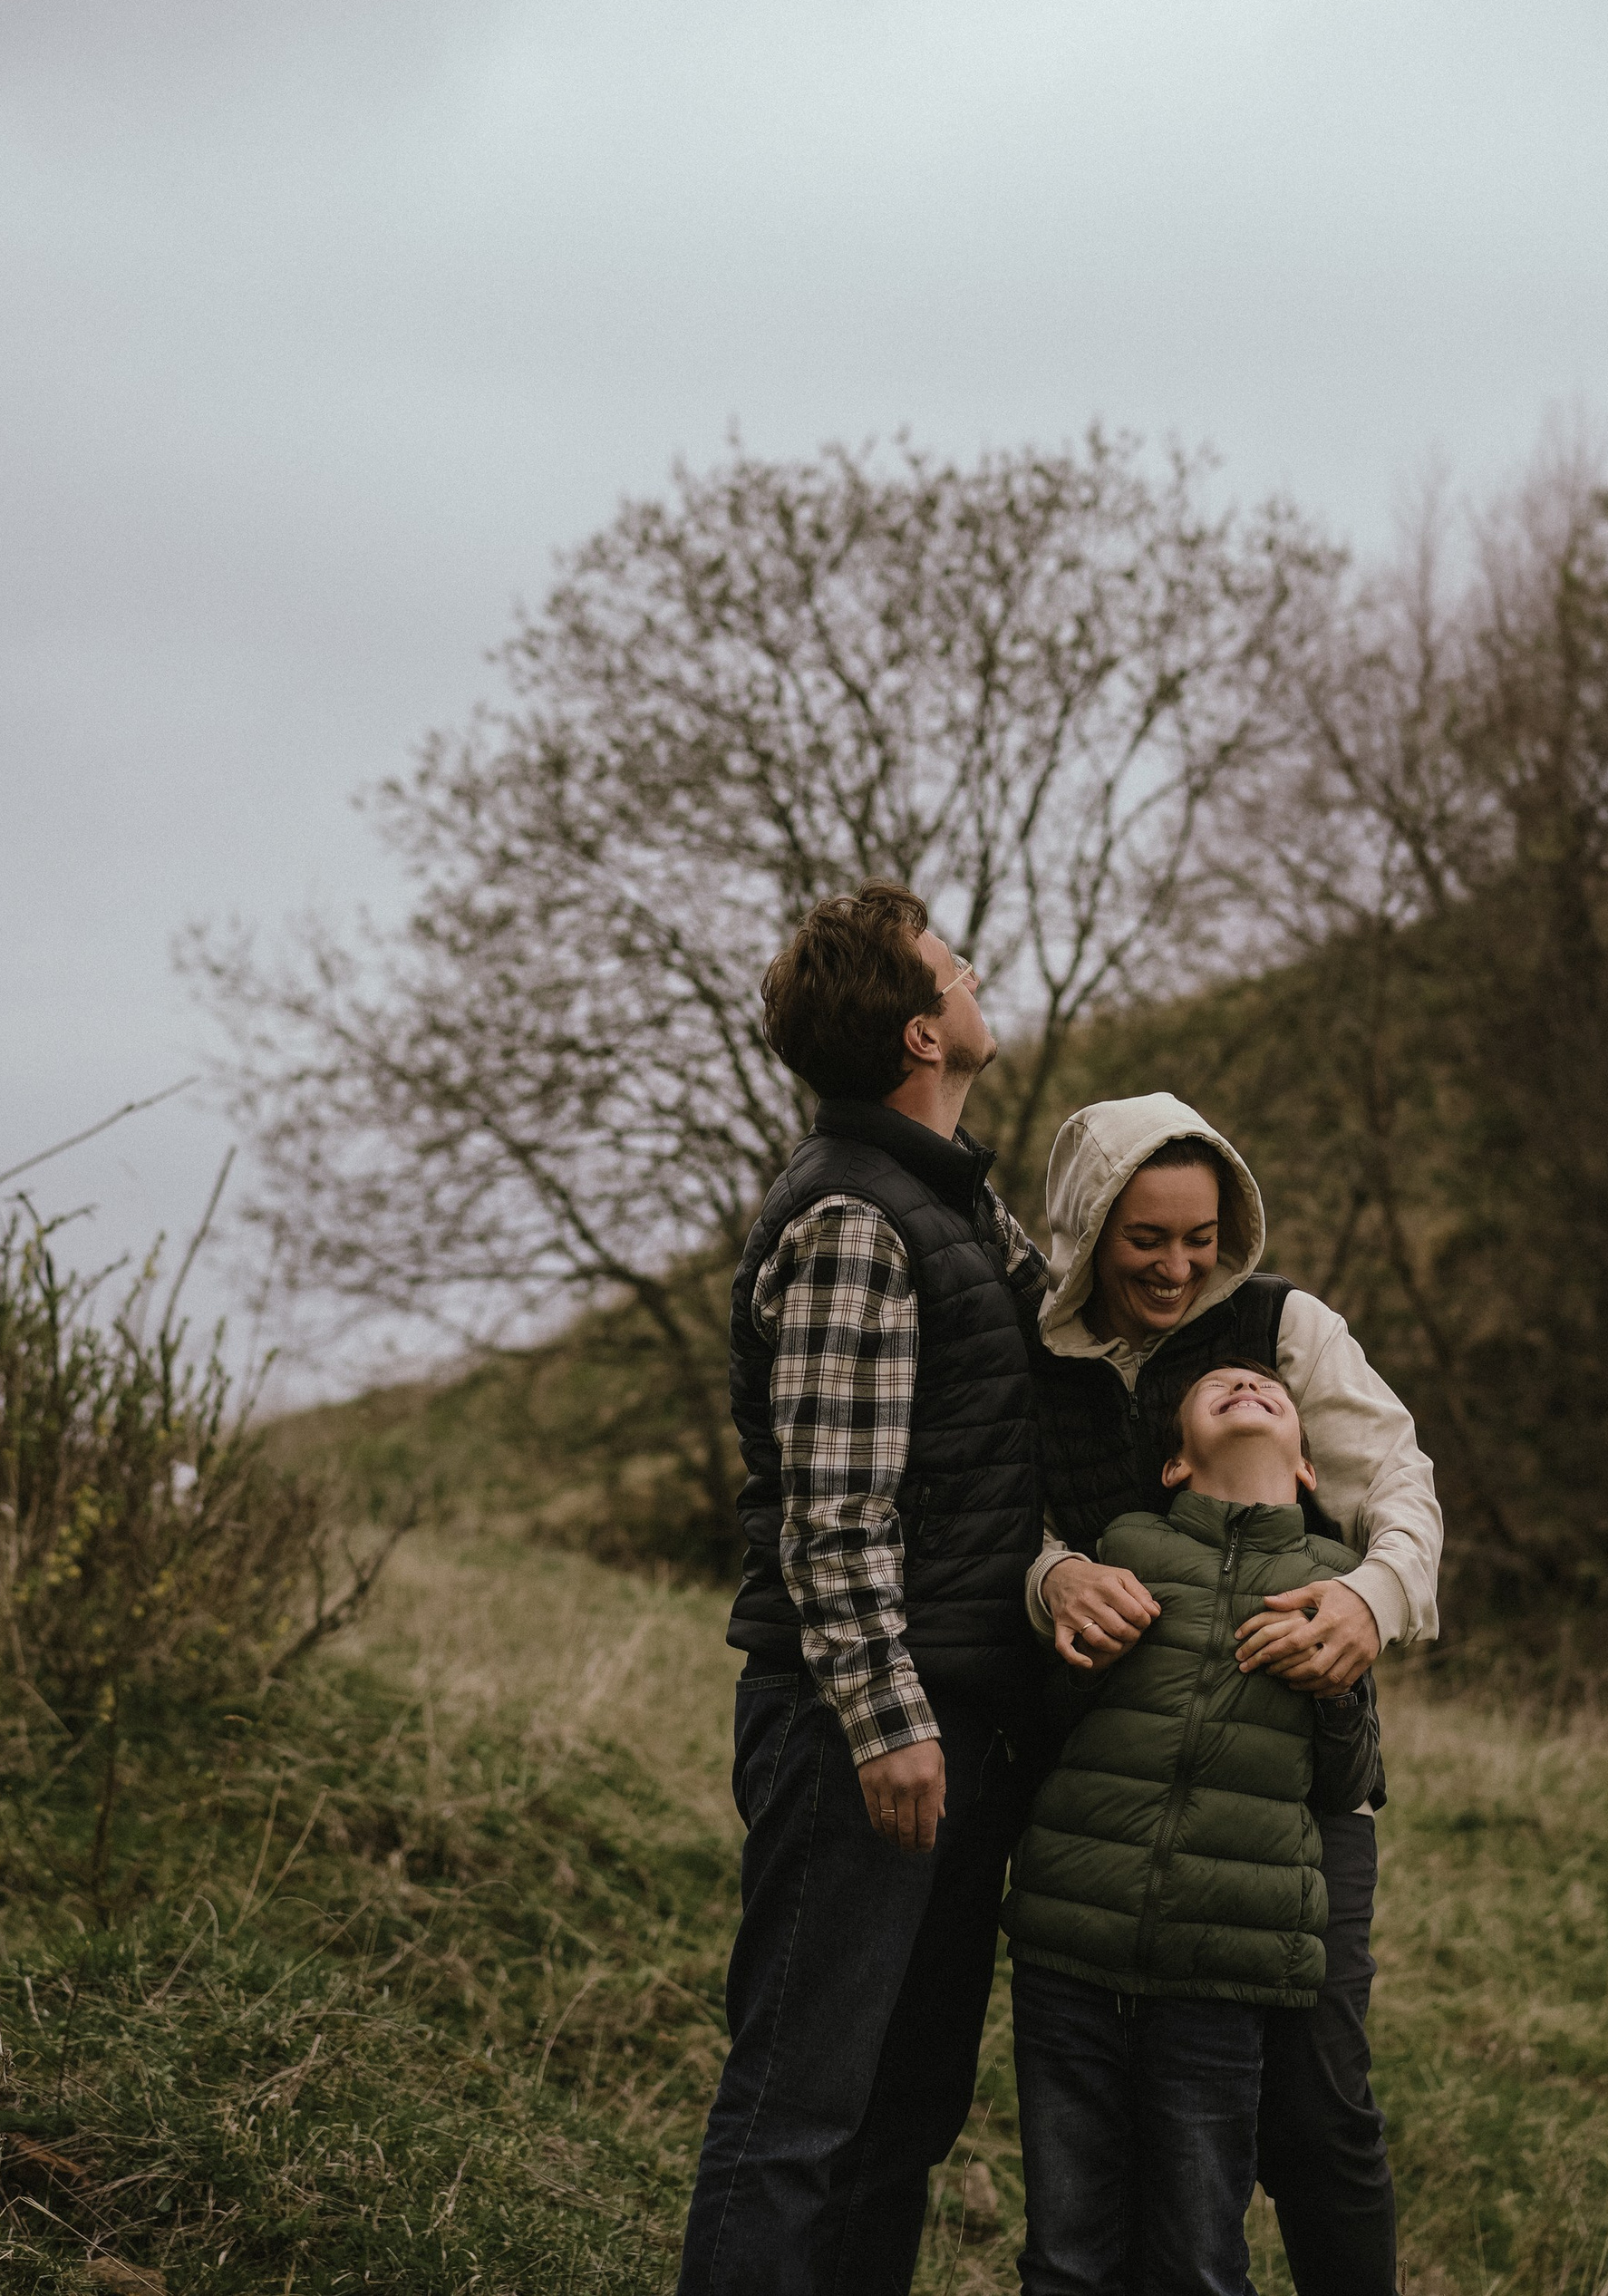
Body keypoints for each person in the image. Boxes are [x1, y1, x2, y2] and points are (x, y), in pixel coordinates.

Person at [673, 882, 1046, 2296]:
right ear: (920, 1028)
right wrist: (890, 1725)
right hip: (861, 1734)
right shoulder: (848, 1219)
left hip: (953, 1720)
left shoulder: (947, 1200)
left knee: (901, 2118)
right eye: (955, 967)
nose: (972, 977)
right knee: (797, 2114)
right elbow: (833, 1519)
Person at [1024, 1094, 1444, 2296]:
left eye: (1200, 1234)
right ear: (1089, 1228)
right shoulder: (1034, 1355)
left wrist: (1370, 1597)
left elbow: (1399, 1482)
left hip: (1292, 1785)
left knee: (1318, 2116)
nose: (1176, 1264)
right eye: (1144, 1237)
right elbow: (998, 1522)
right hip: (1116, 1788)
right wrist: (1052, 1574)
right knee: (1126, 2136)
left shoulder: (1282, 1329)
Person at [1003, 1361, 1378, 2296]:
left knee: (1199, 2263)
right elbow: (1049, 1723)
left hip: (1226, 1971)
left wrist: (1332, 1689)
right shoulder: (1120, 1550)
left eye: (1271, 1390)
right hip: (1070, 1950)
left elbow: (1350, 1779)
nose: (1249, 1384)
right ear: (1173, 1462)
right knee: (1063, 2256)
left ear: (1305, 1469)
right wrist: (1081, 1645)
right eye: (1222, 1385)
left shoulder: (1336, 1585)